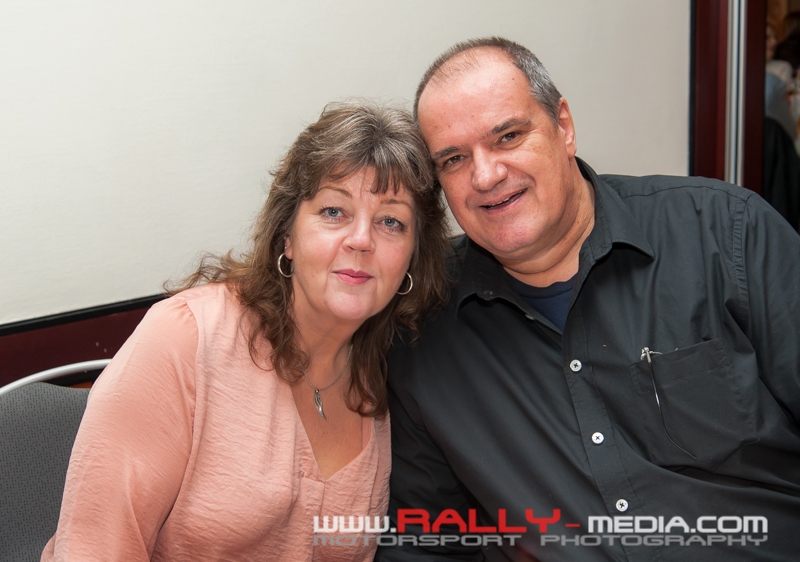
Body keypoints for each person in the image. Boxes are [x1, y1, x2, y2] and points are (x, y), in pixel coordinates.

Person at [376, 37, 800, 561]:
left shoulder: (725, 235)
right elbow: (427, 544)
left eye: (508, 136)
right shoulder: (422, 322)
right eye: (454, 159)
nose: (485, 176)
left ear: (564, 126)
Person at [41, 102, 450, 561]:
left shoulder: (390, 372)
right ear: (287, 237)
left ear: (412, 256)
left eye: (391, 221)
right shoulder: (185, 339)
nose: (361, 240)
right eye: (334, 211)